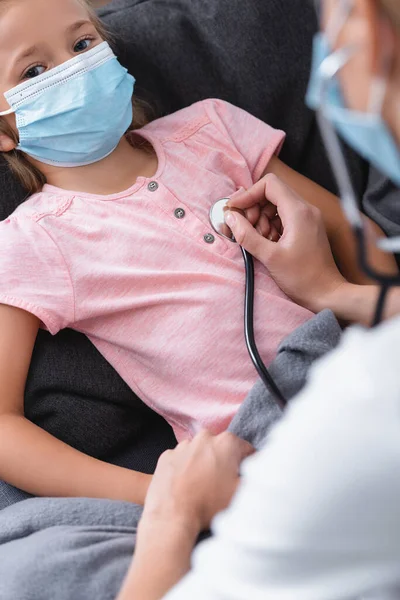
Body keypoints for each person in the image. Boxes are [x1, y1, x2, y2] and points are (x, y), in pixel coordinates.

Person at [1, 0, 391, 504]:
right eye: (34, 70)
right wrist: (169, 495)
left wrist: (384, 330)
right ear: (5, 131)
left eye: (82, 44)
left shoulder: (214, 129)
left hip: (360, 366)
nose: (74, 68)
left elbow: (348, 228)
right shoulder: (31, 242)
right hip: (259, 451)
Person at [115, 0, 400, 599]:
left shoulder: (358, 419)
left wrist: (171, 512)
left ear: (371, 42)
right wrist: (333, 292)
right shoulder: (27, 240)